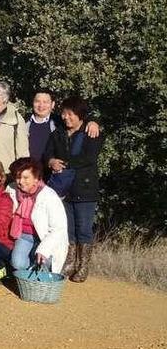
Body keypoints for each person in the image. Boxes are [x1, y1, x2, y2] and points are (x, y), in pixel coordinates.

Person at [43, 96, 103, 282]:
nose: (66, 117)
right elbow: (48, 153)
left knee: (83, 228)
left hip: (85, 188)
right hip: (63, 189)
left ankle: (83, 265)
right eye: (64, 113)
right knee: (68, 228)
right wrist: (51, 161)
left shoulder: (90, 133)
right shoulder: (58, 133)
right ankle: (69, 261)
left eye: (70, 114)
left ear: (80, 116)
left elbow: (90, 158)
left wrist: (66, 164)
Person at [7, 158, 69, 274]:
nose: (21, 181)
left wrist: (44, 250)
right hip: (24, 235)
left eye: (26, 178)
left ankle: (39, 275)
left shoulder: (49, 196)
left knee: (44, 262)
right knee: (17, 263)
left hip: (44, 237)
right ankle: (30, 273)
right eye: (18, 177)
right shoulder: (12, 190)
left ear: (36, 179)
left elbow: (58, 228)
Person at [27, 89, 100, 163]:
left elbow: (79, 116)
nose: (41, 105)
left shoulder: (60, 121)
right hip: (29, 171)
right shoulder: (23, 122)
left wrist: (93, 121)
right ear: (32, 103)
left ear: (52, 104)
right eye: (37, 101)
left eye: (45, 102)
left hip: (53, 171)